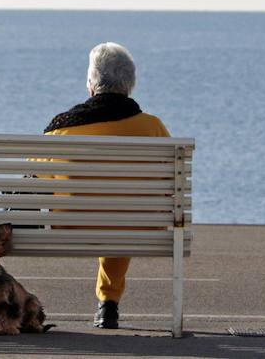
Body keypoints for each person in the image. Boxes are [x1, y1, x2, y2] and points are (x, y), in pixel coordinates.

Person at [43, 42, 170, 329]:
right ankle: (108, 302)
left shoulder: (62, 128)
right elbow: (167, 186)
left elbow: (34, 182)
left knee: (110, 214)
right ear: (130, 85)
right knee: (121, 217)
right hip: (137, 229)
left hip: (68, 229)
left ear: (91, 85)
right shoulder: (154, 129)